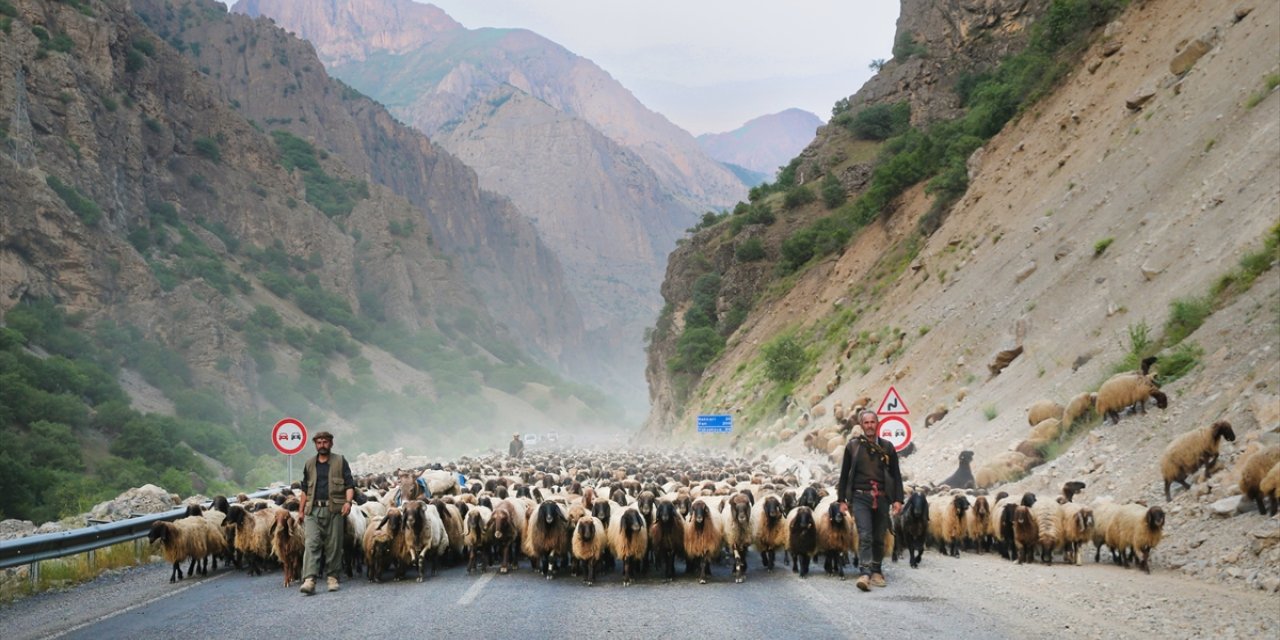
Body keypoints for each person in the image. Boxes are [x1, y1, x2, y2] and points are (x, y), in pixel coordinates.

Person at [837, 409, 905, 592]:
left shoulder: (888, 447)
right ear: (861, 425)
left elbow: (896, 475)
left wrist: (898, 499)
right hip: (860, 497)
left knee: (879, 536)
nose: (869, 426)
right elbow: (844, 475)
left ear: (878, 424)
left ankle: (877, 570)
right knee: (865, 534)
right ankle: (865, 573)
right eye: (866, 423)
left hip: (882, 497)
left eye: (872, 422)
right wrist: (841, 499)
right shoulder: (853, 447)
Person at [298, 430, 354, 595]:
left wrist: (348, 502)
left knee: (334, 544)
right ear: (315, 444)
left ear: (331, 443)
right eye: (319, 442)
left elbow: (349, 485)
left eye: (325, 442)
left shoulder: (340, 461)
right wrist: (301, 511)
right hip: (312, 509)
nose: (322, 445)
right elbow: (304, 489)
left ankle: (332, 577)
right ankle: (309, 580)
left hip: (334, 509)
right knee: (311, 543)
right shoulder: (309, 464)